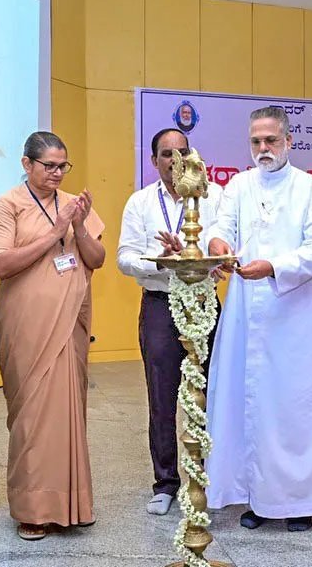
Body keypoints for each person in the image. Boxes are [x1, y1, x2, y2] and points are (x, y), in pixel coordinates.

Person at [205, 105, 312, 532]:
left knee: (295, 409)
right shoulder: (238, 186)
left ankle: (299, 501)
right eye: (256, 141)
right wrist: (217, 245)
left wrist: (272, 267)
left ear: (288, 141)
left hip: (296, 318)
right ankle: (258, 499)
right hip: (246, 315)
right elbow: (221, 228)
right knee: (250, 406)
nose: (263, 148)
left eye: (271, 140)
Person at [0, 131, 106, 541]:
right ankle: (32, 510)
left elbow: (96, 260)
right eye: (49, 166)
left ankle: (73, 505)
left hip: (70, 323)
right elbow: (1, 265)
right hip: (25, 324)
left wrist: (78, 227)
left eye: (62, 166)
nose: (57, 173)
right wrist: (55, 233)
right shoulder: (9, 204)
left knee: (67, 413)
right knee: (33, 416)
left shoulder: (74, 204)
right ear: (27, 164)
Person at [117, 128, 223, 515]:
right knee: (162, 399)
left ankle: (208, 477)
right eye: (167, 154)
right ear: (154, 161)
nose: (176, 161)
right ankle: (165, 483)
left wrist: (196, 257)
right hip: (160, 305)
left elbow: (222, 245)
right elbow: (124, 258)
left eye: (183, 152)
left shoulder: (213, 196)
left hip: (203, 302)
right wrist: (161, 262)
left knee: (212, 394)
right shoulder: (141, 202)